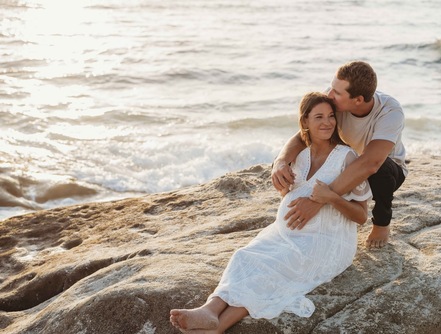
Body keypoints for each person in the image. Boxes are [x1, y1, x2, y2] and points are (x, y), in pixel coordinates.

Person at [169, 92, 372, 334]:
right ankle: (211, 310)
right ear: (305, 122)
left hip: (326, 243)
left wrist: (331, 197)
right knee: (245, 257)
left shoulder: (346, 157)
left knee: (270, 267)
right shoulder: (299, 156)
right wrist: (283, 188)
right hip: (286, 235)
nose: (327, 122)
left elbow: (361, 215)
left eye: (330, 116)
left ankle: (217, 325)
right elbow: (290, 196)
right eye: (319, 117)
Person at [272, 60, 407, 249]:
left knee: (381, 168)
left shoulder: (390, 111)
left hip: (383, 171)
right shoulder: (336, 100)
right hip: (345, 162)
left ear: (358, 100)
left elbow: (371, 162)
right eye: (332, 87)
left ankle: (382, 223)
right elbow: (304, 134)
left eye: (336, 92)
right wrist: (280, 162)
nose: (329, 94)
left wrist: (318, 200)